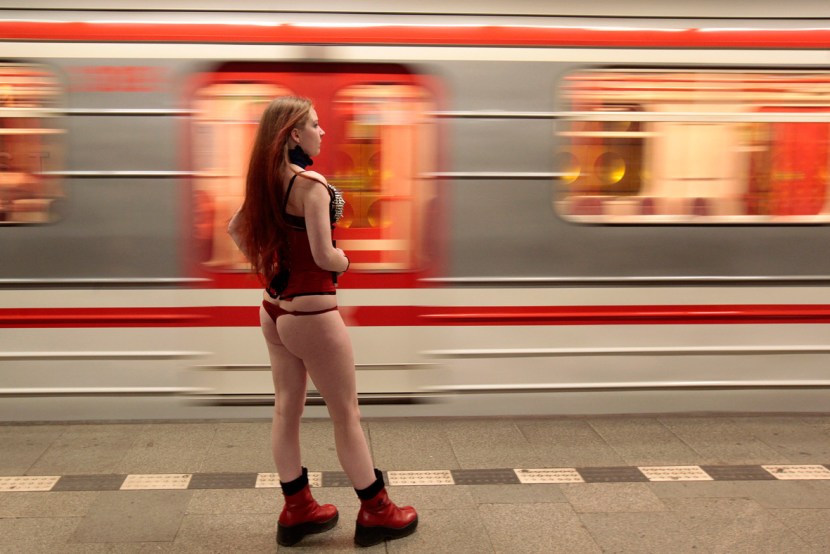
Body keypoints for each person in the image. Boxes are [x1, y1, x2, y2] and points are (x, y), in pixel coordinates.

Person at [228, 96, 417, 548]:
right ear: (294, 134)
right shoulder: (311, 185)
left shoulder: (266, 180)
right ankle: (377, 512)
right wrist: (345, 261)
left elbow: (235, 229)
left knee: (285, 408)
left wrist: (269, 265)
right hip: (312, 313)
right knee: (346, 413)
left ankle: (298, 509)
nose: (322, 132)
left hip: (273, 309)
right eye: (315, 125)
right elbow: (323, 254)